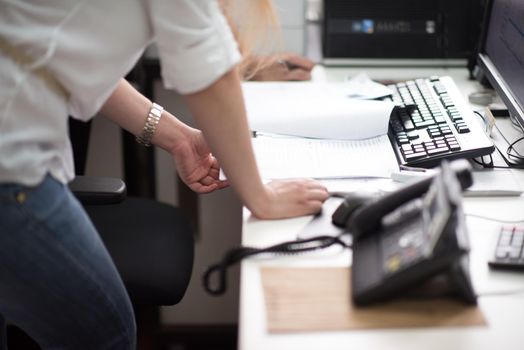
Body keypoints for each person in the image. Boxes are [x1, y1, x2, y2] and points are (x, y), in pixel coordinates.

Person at [0, 0, 328, 349]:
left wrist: (180, 138)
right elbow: (210, 72)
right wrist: (262, 198)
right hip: (10, 171)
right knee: (105, 335)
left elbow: (64, 55)